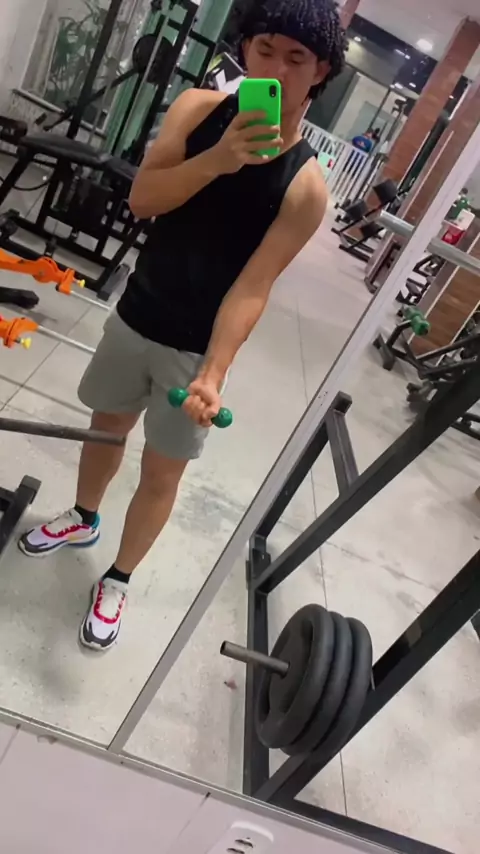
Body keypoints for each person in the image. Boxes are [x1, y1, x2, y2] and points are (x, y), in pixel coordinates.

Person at [19, 0, 347, 651]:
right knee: (106, 429)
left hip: (194, 350)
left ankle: (119, 577)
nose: (276, 69)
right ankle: (83, 516)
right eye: (265, 50)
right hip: (137, 310)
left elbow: (253, 286)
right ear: (245, 49)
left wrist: (214, 373)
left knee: (162, 472)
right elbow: (144, 199)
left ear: (321, 72)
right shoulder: (197, 110)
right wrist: (220, 159)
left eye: (296, 59)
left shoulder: (306, 188)